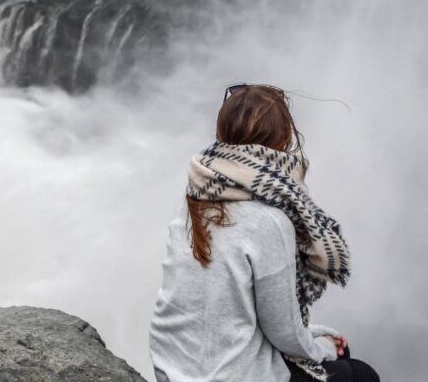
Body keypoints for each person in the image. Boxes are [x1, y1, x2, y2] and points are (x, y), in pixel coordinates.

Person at [148, 84, 380, 382]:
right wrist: (324, 347)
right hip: (229, 375)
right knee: (358, 374)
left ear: (221, 133)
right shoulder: (269, 221)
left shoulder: (196, 200)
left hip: (172, 369)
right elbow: (282, 331)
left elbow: (233, 312)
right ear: (284, 140)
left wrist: (317, 336)